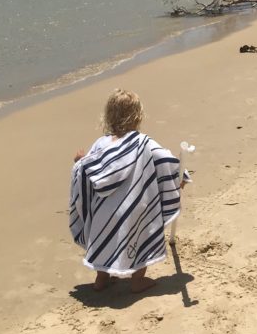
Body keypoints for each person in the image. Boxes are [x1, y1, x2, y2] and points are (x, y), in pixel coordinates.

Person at [69, 89, 187, 292]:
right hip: (135, 207)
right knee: (141, 235)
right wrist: (180, 175)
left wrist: (79, 162)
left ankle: (102, 278)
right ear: (138, 115)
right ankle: (137, 280)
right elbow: (165, 160)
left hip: (103, 210)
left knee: (102, 238)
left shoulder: (102, 143)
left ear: (108, 115)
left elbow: (92, 169)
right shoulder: (144, 143)